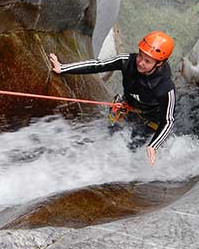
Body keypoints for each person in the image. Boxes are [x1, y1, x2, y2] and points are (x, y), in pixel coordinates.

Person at [48, 31, 176, 166]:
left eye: (147, 61)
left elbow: (168, 120)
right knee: (111, 131)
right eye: (140, 56)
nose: (141, 63)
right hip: (127, 105)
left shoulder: (165, 88)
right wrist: (63, 68)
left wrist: (153, 146)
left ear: (159, 64)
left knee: (132, 147)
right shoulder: (127, 61)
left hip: (151, 120)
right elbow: (99, 65)